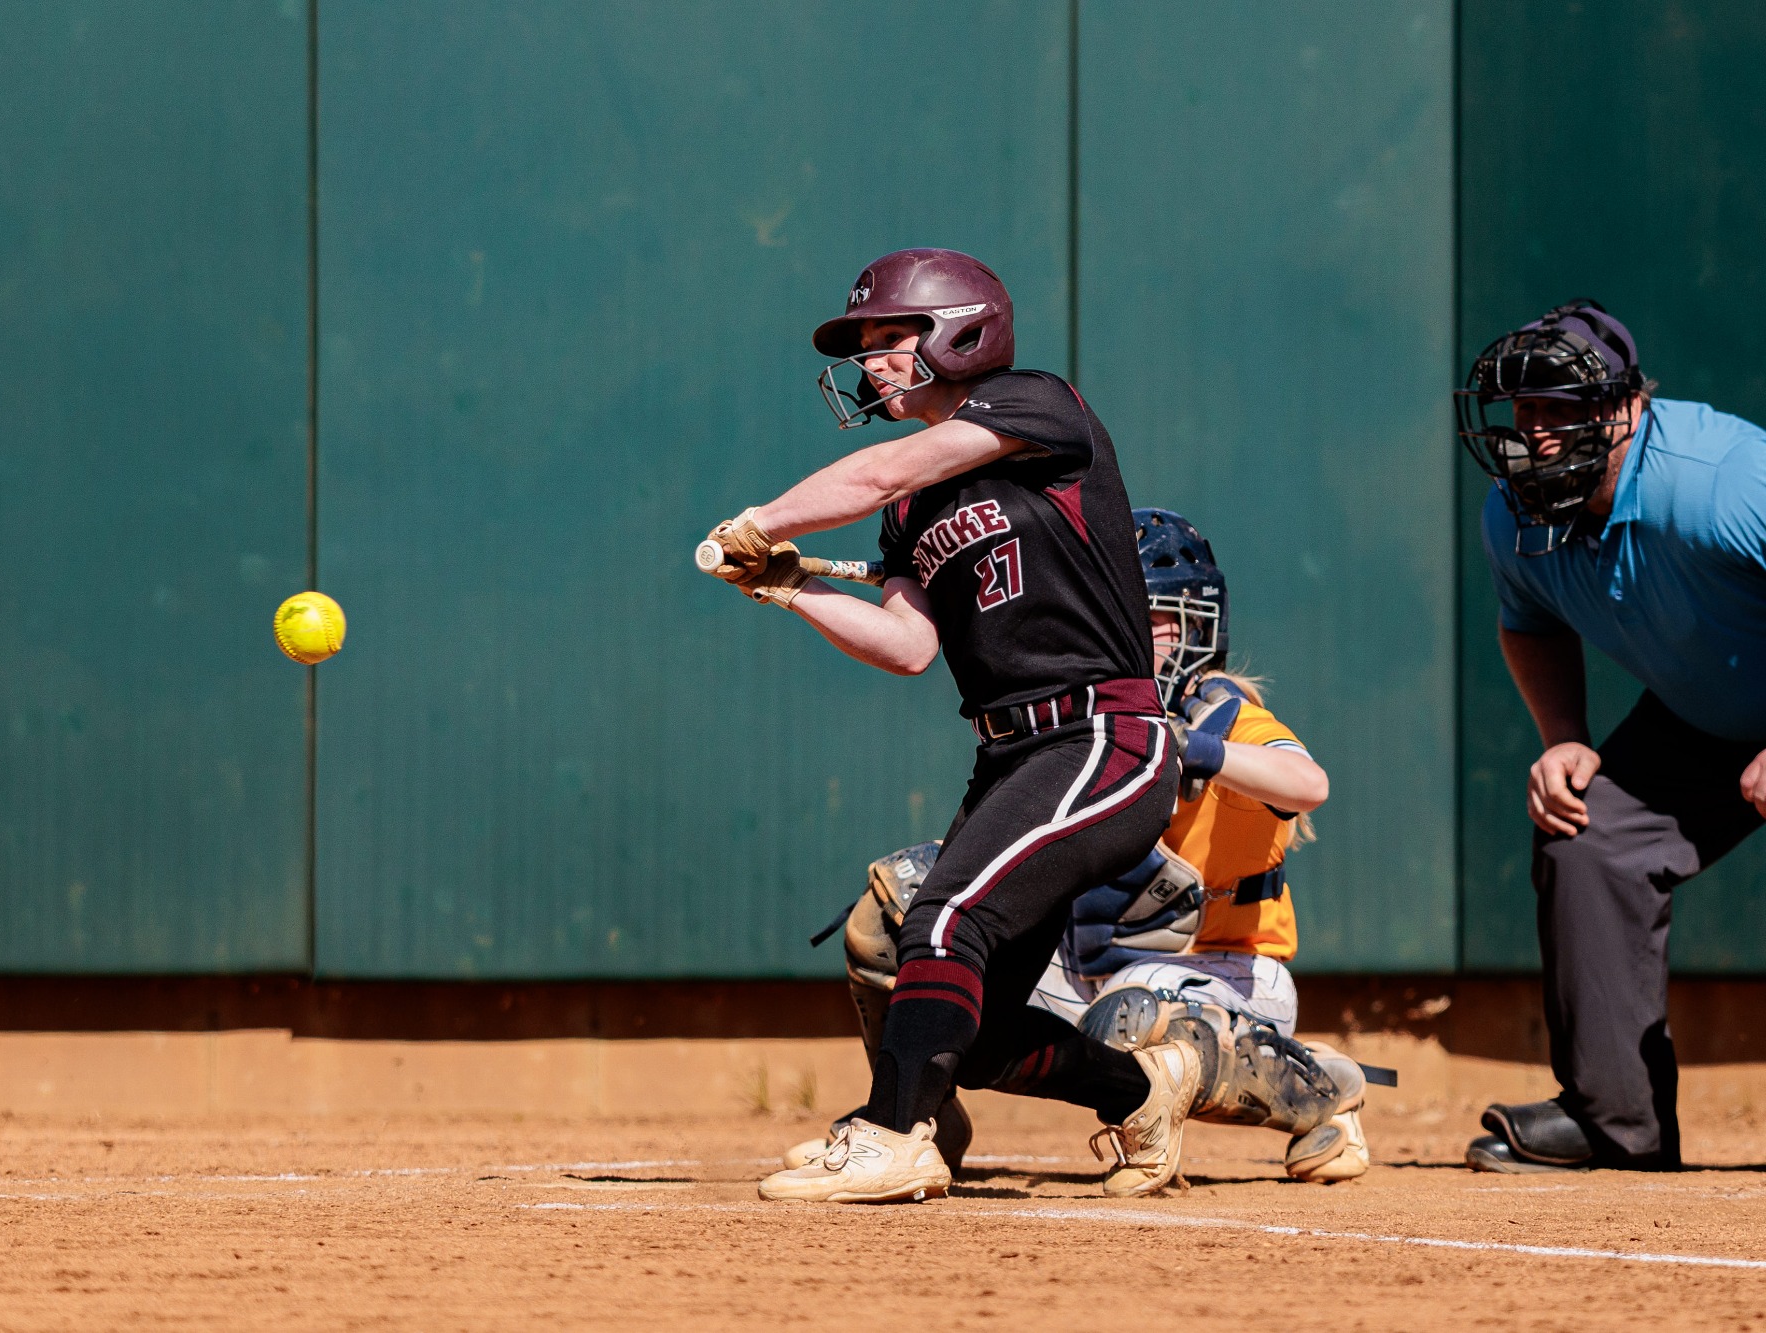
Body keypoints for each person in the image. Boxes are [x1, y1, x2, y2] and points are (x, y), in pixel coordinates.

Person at [703, 248, 1188, 1203]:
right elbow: (906, 646)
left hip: (1104, 737)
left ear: (962, 329)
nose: (872, 361)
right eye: (867, 345)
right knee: (980, 1031)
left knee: (944, 919)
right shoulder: (913, 510)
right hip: (1012, 753)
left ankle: (892, 1132)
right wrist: (789, 586)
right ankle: (1143, 1094)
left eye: (893, 336)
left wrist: (762, 519)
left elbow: (884, 469)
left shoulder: (1038, 404)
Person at [788, 508, 1369, 1187]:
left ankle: (1322, 1091)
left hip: (1227, 973)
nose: (1132, 632)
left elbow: (1308, 784)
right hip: (1089, 972)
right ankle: (916, 1110)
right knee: (901, 909)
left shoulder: (1223, 712)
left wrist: (1194, 748)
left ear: (1197, 627)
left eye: (1152, 619)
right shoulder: (1085, 717)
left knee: (1133, 1010)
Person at [1456, 300, 1766, 1172]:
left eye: (1562, 406)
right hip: (1706, 714)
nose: (1536, 430)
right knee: (1586, 832)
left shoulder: (1722, 478)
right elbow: (1530, 622)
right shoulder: (1514, 514)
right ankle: (1616, 1121)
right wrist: (1564, 734)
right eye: (1525, 408)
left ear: (1629, 406)